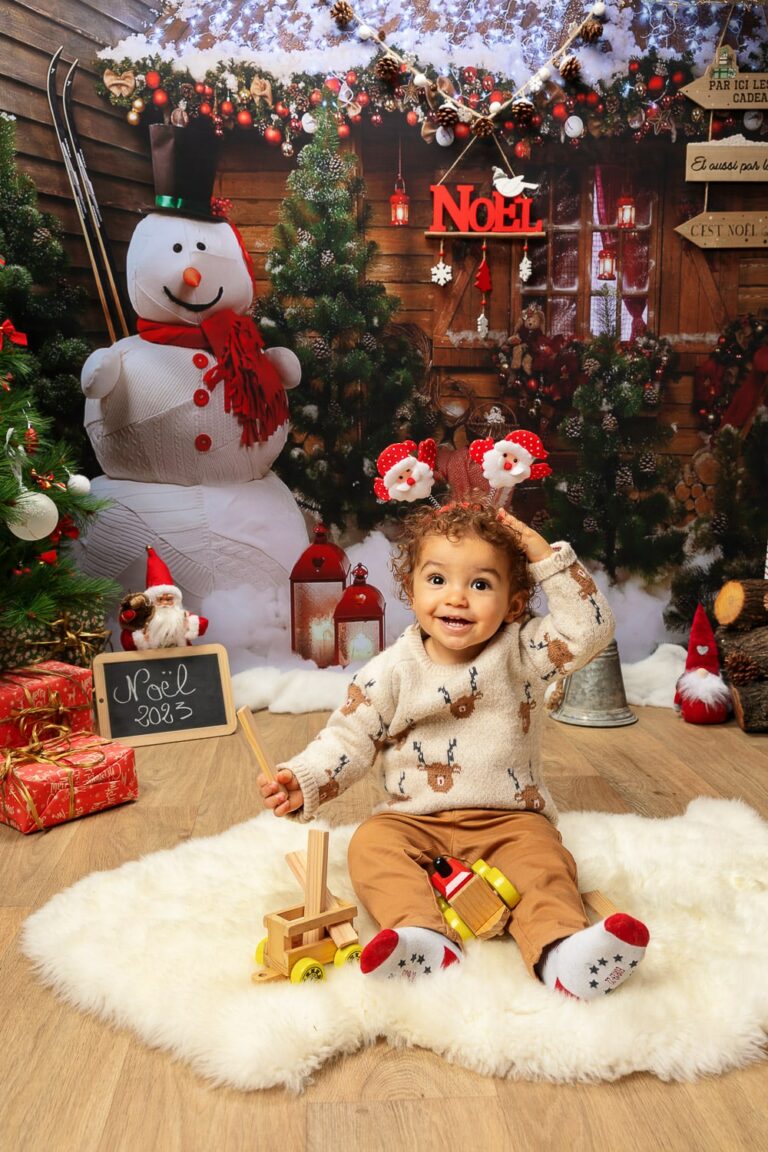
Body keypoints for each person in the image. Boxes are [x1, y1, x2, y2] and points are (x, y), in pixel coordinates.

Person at [258, 502, 649, 998]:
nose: (457, 598)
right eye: (437, 580)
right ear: (413, 589)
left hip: (509, 818)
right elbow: (348, 738)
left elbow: (589, 630)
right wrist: (305, 779)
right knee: (369, 847)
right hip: (414, 819)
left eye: (481, 584)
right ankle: (424, 938)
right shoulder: (391, 670)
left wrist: (542, 555)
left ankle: (562, 951)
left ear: (513, 603)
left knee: (546, 865)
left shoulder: (524, 652)